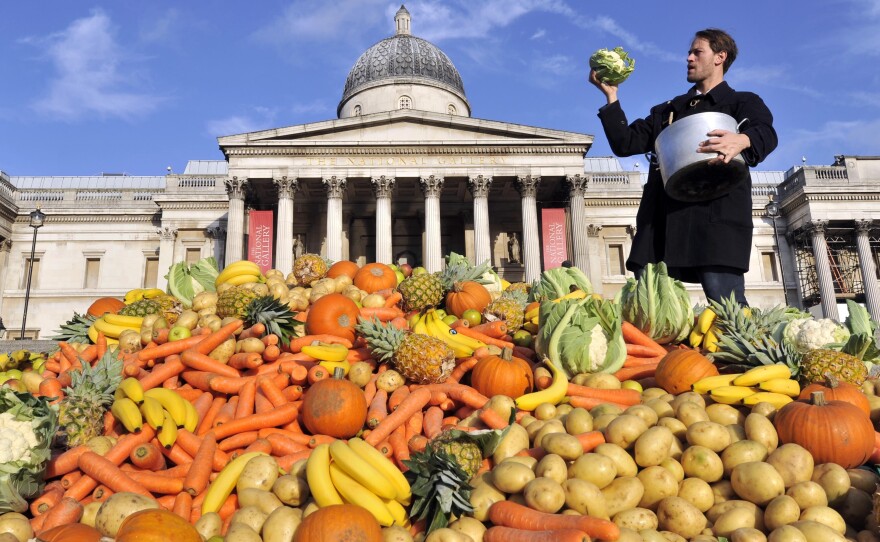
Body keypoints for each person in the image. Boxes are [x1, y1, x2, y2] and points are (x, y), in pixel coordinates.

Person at [589, 28, 777, 306]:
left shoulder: (742, 102)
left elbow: (767, 133)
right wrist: (611, 97)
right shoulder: (667, 110)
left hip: (716, 218)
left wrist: (743, 139)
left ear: (719, 57)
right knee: (650, 304)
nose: (688, 57)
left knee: (726, 303)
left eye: (697, 52)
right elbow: (625, 143)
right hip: (663, 219)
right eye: (689, 52)